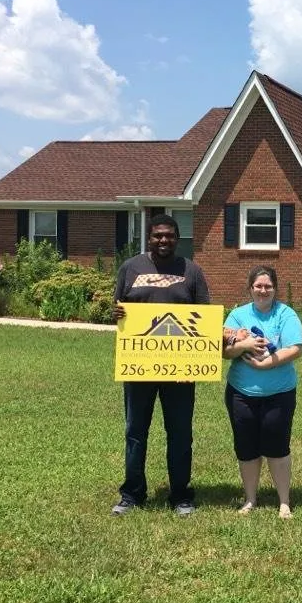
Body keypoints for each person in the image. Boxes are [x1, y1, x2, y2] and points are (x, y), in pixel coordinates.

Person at [110, 213, 213, 517]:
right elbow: (119, 308)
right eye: (157, 236)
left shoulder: (191, 271)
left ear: (177, 238)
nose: (163, 240)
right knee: (135, 431)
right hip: (139, 366)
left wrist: (192, 364)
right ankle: (132, 494)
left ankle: (181, 495)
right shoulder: (131, 268)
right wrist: (115, 314)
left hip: (181, 371)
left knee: (180, 433)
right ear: (149, 238)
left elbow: (203, 319)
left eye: (169, 235)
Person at [223, 265, 302, 518]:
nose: (263, 290)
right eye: (258, 285)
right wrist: (244, 344)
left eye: (268, 286)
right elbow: (223, 351)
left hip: (279, 394)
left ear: (275, 288)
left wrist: (267, 363)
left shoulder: (286, 314)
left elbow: (296, 348)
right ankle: (250, 499)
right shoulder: (237, 315)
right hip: (241, 393)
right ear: (250, 289)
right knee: (246, 448)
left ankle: (284, 502)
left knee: (278, 447)